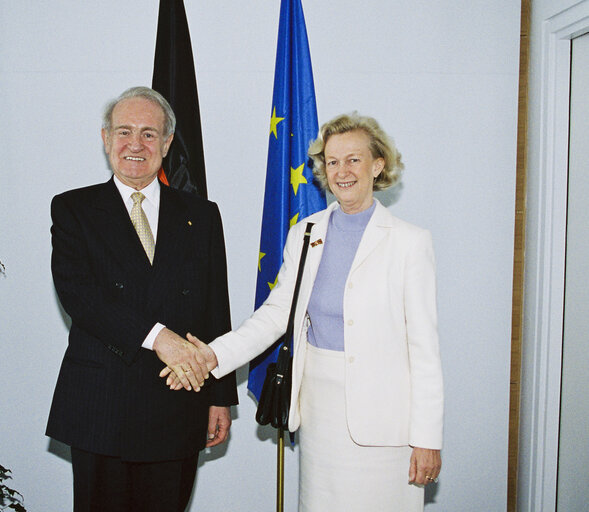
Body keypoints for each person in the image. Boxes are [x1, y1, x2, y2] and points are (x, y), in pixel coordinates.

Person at [164, 112, 443, 511]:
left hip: (388, 427)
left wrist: (427, 438)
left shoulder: (410, 243)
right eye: (332, 161)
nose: (341, 171)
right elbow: (275, 316)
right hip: (320, 416)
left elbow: (425, 350)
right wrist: (212, 356)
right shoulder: (306, 233)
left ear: (378, 164)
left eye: (353, 159)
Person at [46, 86, 237, 512]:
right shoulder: (73, 209)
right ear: (105, 137)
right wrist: (160, 338)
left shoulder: (202, 215)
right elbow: (80, 296)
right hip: (102, 404)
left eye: (149, 134)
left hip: (179, 400)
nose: (136, 144)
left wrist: (219, 395)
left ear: (167, 144)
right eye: (124, 131)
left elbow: (214, 307)